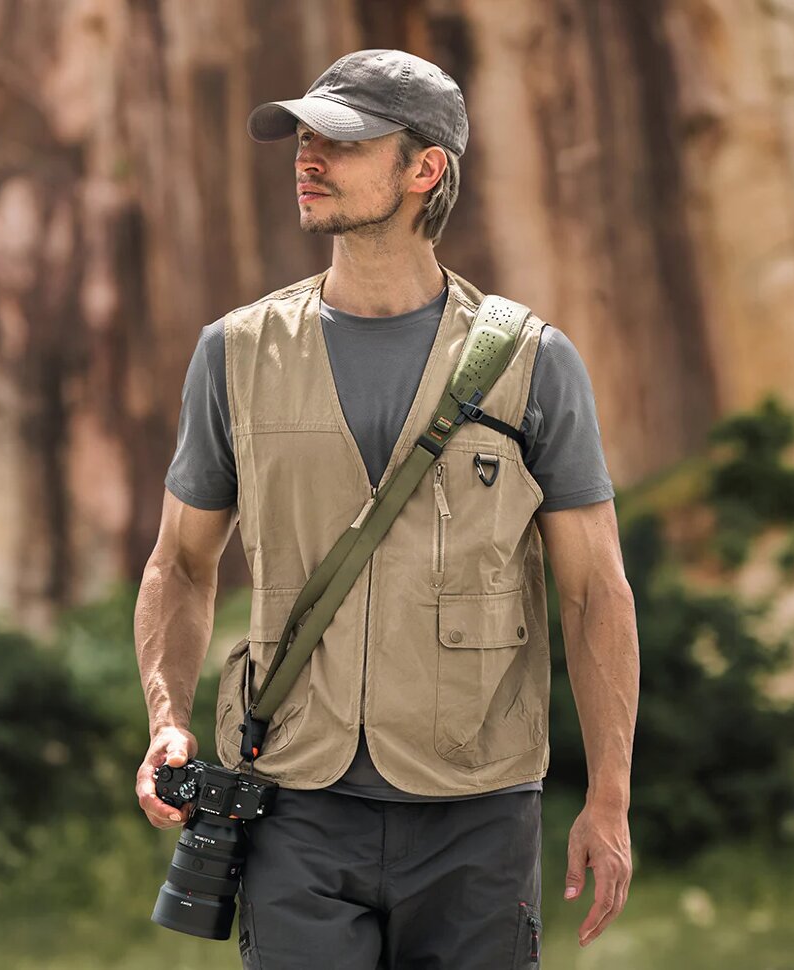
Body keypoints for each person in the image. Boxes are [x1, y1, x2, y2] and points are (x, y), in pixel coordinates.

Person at [134, 48, 638, 970]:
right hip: (291, 804)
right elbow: (181, 562)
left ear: (424, 169)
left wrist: (609, 797)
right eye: (303, 137)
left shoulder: (533, 362)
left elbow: (594, 592)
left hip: (478, 814)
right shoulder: (234, 353)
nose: (308, 156)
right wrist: (167, 716)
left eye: (344, 140)